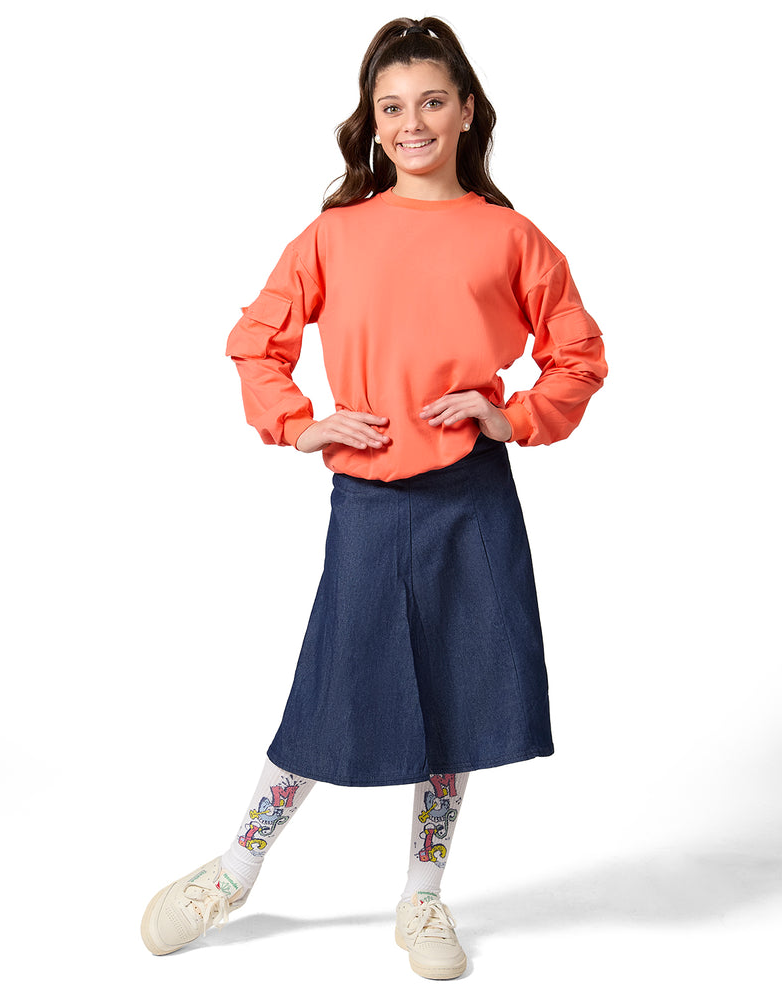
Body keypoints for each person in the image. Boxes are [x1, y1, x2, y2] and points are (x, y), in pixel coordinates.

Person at [140, 16, 607, 981]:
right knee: (330, 691)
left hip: (471, 498)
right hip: (368, 500)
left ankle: (423, 895)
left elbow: (579, 354)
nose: (412, 123)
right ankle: (234, 870)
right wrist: (299, 423)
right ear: (372, 121)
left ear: (467, 111)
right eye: (391, 107)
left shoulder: (511, 237)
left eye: (432, 101)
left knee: (458, 696)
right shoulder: (335, 235)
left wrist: (510, 414)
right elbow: (256, 341)